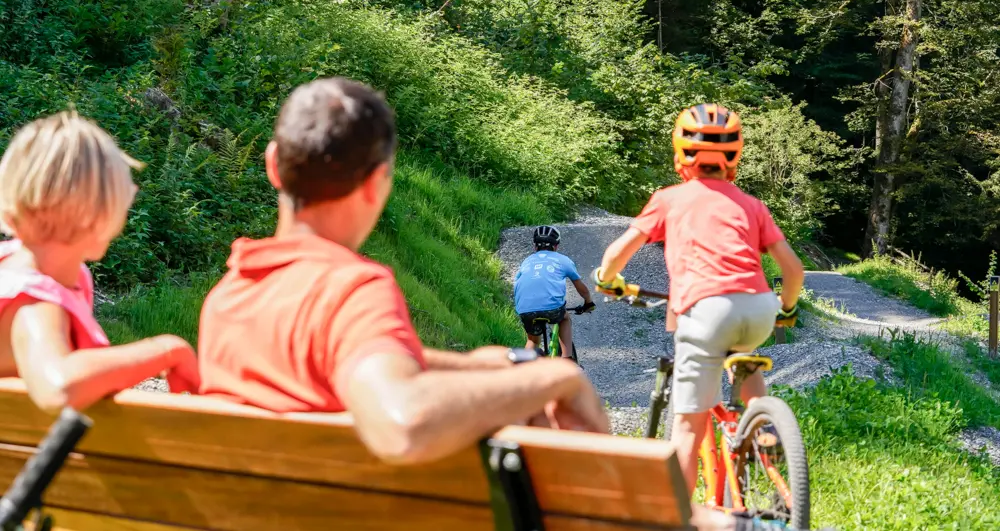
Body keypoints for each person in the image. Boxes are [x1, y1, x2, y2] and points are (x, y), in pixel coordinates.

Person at [196, 77, 609, 466]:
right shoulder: (351, 289)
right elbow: (404, 423)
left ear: (272, 165)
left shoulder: (231, 293)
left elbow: (337, 352)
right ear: (378, 183)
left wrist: (487, 362)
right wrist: (556, 379)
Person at [592, 103, 804, 498]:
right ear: (735, 155)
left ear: (680, 153)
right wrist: (786, 309)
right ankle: (764, 426)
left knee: (687, 428)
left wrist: (608, 280)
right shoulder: (752, 205)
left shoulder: (669, 199)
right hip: (758, 307)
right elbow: (793, 271)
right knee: (743, 354)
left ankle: (681, 520)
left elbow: (616, 255)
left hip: (705, 311)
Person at [0, 111, 200, 413]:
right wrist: (166, 350)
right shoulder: (34, 304)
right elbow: (58, 386)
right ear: (99, 217)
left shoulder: (21, 270)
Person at [513, 225, 594, 361]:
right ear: (556, 246)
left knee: (533, 340)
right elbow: (582, 288)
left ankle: (522, 367)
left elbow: (518, 284)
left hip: (525, 308)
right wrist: (588, 302)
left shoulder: (526, 262)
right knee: (564, 318)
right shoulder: (562, 260)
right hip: (552, 308)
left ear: (535, 247)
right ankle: (567, 358)